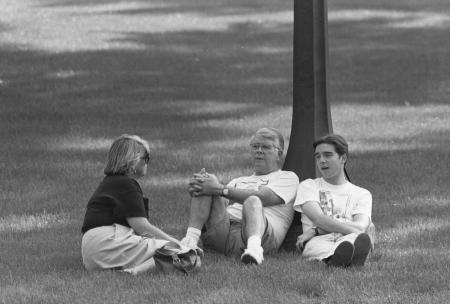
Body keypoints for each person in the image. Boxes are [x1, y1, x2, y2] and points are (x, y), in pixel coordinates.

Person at [81, 134, 200, 274]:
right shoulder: (127, 184)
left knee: (168, 252)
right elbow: (142, 227)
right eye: (146, 158)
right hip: (110, 242)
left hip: (91, 253)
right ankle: (133, 273)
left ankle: (131, 270)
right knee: (189, 257)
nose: (147, 163)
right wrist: (179, 245)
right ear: (132, 161)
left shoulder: (109, 183)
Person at [181, 127, 299, 265]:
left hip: (260, 236)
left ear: (279, 153)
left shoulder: (288, 177)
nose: (259, 150)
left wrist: (219, 189)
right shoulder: (239, 180)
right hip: (224, 231)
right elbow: (218, 201)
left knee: (253, 200)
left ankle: (254, 251)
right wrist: (199, 189)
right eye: (255, 146)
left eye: (266, 147)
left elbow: (264, 197)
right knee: (206, 180)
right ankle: (189, 242)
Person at [294, 134, 374, 267]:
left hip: (346, 236)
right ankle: (342, 258)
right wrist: (319, 232)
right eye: (318, 156)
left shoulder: (362, 194)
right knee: (318, 247)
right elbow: (319, 219)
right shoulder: (308, 186)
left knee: (353, 240)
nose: (322, 160)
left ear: (343, 158)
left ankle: (340, 258)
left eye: (327, 155)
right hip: (317, 240)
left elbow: (361, 226)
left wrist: (315, 230)